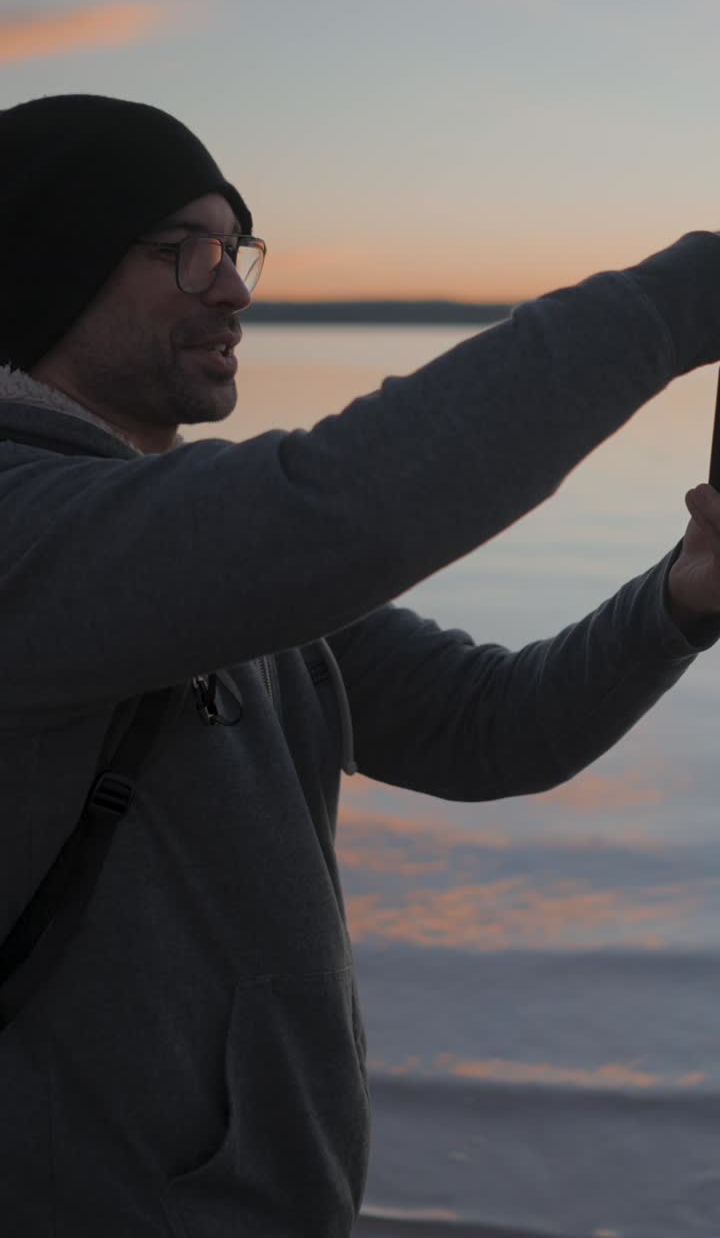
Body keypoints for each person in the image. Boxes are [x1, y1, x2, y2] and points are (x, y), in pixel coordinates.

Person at [1, 92, 720, 1238]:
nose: (232, 286)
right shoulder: (30, 532)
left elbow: (488, 725)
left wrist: (679, 598)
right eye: (178, 250)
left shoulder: (209, 559)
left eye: (234, 246)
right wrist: (686, 298)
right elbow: (345, 505)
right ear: (47, 264)